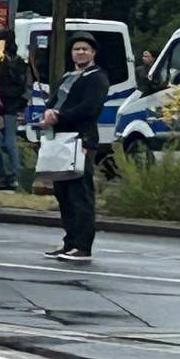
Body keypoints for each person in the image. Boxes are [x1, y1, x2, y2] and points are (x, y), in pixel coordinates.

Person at [42, 34, 111, 262]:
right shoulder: (67, 77)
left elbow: (89, 109)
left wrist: (59, 115)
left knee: (80, 192)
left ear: (93, 53)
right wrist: (48, 113)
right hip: (60, 140)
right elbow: (53, 102)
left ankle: (83, 246)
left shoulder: (97, 78)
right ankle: (69, 241)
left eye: (85, 49)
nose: (80, 52)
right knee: (63, 193)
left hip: (81, 140)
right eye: (76, 49)